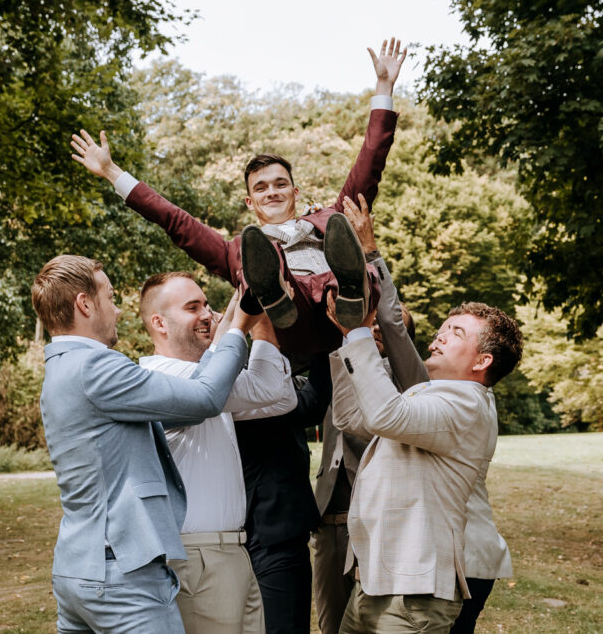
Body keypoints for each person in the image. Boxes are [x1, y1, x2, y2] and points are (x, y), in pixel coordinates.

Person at [69, 39, 406, 356]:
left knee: (345, 235)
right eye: (261, 188)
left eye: (280, 184)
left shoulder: (330, 220)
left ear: (295, 192)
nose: (271, 192)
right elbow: (174, 220)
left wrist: (383, 88)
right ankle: (275, 295)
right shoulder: (238, 250)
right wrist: (112, 172)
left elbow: (369, 166)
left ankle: (350, 291)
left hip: (344, 316)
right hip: (295, 323)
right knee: (260, 260)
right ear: (249, 202)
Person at [30, 254, 256, 633]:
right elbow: (205, 399)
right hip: (122, 574)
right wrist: (237, 330)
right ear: (85, 304)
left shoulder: (61, 368)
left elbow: (184, 406)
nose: (117, 310)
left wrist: (229, 321)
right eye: (109, 297)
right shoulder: (97, 366)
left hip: (75, 569)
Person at [334, 197, 514, 633]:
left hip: (420, 585)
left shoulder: (466, 404)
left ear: (482, 361)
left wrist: (357, 331)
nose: (439, 336)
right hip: (377, 578)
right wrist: (370, 257)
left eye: (456, 333)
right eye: (442, 329)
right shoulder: (429, 393)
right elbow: (391, 333)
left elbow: (385, 412)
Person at [136, 272, 297, 634]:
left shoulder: (209, 380)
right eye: (192, 307)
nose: (207, 315)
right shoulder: (161, 378)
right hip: (198, 558)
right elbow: (268, 386)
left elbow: (281, 397)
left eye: (207, 305)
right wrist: (247, 321)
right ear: (159, 323)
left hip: (234, 551)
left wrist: (258, 313)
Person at [312, 195, 422, 634]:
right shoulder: (336, 362)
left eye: (382, 327)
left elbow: (392, 322)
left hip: (379, 524)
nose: (373, 328)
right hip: (327, 522)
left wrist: (373, 253)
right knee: (330, 624)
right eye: (367, 322)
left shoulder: (411, 389)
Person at [234, 353, 334, 634]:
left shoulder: (225, 372)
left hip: (258, 525)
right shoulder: (244, 378)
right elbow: (310, 406)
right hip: (268, 525)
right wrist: (323, 348)